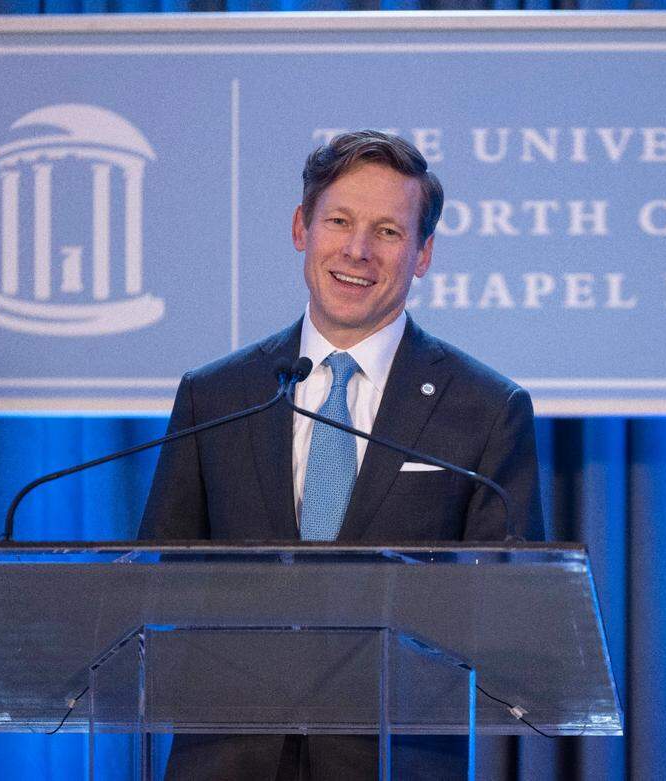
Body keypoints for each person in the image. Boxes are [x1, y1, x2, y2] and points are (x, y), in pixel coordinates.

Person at [138, 130, 546, 779]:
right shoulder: (215, 396)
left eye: (388, 231)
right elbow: (153, 594)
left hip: (394, 762)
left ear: (423, 253)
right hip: (225, 762)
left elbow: (514, 617)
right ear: (302, 227)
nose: (357, 249)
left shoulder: (486, 409)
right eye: (340, 221)